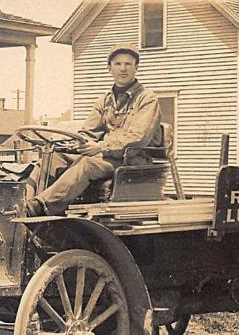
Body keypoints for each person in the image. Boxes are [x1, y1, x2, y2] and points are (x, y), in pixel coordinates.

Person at [25, 43, 162, 216]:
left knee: (87, 164)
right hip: (107, 156)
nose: (123, 69)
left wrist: (101, 147)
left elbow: (138, 137)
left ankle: (41, 206)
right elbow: (89, 132)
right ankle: (27, 202)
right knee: (54, 157)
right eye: (118, 64)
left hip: (132, 159)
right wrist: (74, 144)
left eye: (128, 64)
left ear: (136, 68)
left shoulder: (147, 99)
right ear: (109, 68)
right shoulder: (104, 101)